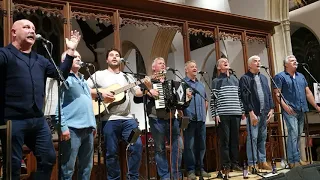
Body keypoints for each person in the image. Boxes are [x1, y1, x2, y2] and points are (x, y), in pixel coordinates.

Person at [0, 19, 80, 179]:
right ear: (14, 32)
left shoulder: (40, 60)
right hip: (12, 120)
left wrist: (70, 51)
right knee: (13, 166)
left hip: (37, 119)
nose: (32, 30)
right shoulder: (4, 54)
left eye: (33, 28)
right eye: (26, 27)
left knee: (49, 159)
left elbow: (60, 75)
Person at [87, 48, 145, 180]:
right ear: (107, 59)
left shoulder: (127, 76)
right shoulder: (99, 74)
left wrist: (146, 87)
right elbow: (85, 88)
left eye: (117, 55)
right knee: (111, 153)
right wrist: (101, 94)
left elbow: (137, 93)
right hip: (109, 119)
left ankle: (133, 177)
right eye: (111, 55)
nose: (114, 57)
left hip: (128, 118)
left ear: (120, 59)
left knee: (136, 146)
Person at [273, 55, 320, 168]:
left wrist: (317, 106)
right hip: (290, 110)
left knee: (298, 134)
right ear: (286, 64)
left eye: (295, 60)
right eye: (292, 60)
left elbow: (308, 93)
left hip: (301, 109)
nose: (295, 62)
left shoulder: (301, 76)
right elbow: (277, 94)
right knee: (293, 133)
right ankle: (292, 161)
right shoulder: (280, 77)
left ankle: (297, 158)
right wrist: (284, 106)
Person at [57, 50, 96, 179]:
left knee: (86, 167)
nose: (79, 58)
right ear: (65, 61)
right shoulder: (64, 78)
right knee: (68, 168)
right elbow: (57, 104)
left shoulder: (83, 80)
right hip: (72, 129)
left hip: (88, 129)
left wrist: (93, 124)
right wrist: (63, 127)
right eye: (75, 57)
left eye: (79, 56)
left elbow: (88, 104)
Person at [145, 57, 184, 180]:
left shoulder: (170, 82)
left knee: (178, 146)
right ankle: (165, 177)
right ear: (153, 67)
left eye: (164, 63)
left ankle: (176, 174)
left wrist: (182, 104)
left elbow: (177, 99)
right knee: (160, 149)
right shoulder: (148, 81)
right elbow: (137, 94)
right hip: (156, 119)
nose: (163, 65)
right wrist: (148, 90)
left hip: (172, 119)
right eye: (160, 63)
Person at [210, 58, 245, 178]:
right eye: (222, 61)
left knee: (235, 140)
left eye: (227, 60)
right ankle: (226, 165)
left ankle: (235, 163)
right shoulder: (216, 81)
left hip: (236, 113)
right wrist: (215, 114)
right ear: (219, 67)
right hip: (223, 114)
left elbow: (240, 96)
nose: (226, 62)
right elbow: (213, 100)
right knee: (225, 141)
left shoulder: (235, 79)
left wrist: (242, 110)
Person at [239, 55, 274, 171]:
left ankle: (262, 161)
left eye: (259, 61)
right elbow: (244, 97)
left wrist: (271, 109)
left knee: (262, 138)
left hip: (264, 113)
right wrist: (251, 112)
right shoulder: (245, 78)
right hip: (253, 113)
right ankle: (252, 163)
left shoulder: (264, 78)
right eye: (255, 61)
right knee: (253, 138)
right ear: (250, 65)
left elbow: (268, 94)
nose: (258, 63)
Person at [182, 60, 210, 179]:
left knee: (201, 145)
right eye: (192, 67)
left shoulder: (200, 85)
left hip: (201, 119)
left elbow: (206, 100)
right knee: (190, 146)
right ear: (186, 70)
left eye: (195, 66)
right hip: (189, 119)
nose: (195, 68)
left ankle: (200, 168)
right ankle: (191, 170)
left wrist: (204, 113)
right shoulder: (183, 83)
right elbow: (180, 102)